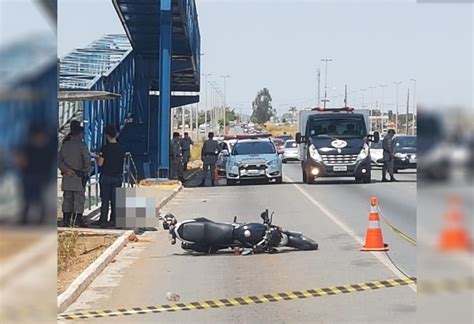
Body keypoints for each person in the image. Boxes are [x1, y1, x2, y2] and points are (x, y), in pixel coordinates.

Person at [58, 120, 90, 227]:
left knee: (67, 198)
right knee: (79, 199)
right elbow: (87, 159)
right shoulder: (82, 145)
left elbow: (58, 160)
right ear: (80, 133)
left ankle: (66, 220)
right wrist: (86, 170)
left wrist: (66, 169)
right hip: (78, 176)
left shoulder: (65, 145)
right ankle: (77, 220)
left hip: (67, 176)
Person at [93, 124, 126, 228]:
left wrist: (97, 157)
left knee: (105, 199)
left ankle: (103, 220)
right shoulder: (121, 148)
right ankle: (115, 220)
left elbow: (100, 164)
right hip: (117, 176)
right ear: (116, 134)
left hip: (106, 176)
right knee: (115, 200)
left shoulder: (105, 148)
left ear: (106, 135)